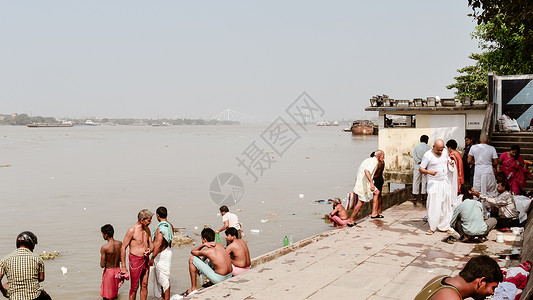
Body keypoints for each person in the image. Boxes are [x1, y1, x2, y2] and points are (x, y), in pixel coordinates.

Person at [414, 255, 502, 300]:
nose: (493, 293)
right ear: (482, 281)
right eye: (493, 288)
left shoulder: (440, 279)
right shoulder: (450, 297)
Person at [181, 228, 232, 297]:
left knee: (192, 259)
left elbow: (193, 252)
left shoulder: (208, 251)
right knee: (212, 262)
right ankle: (210, 283)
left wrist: (203, 245)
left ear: (204, 239)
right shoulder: (220, 245)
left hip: (220, 279)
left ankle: (193, 288)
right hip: (229, 275)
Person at [0, 231, 51, 300]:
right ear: (32, 244)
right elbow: (41, 278)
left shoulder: (5, 259)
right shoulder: (37, 258)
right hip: (34, 296)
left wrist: (3, 291)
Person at [419, 139, 455, 235]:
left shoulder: (444, 152)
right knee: (434, 204)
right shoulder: (428, 155)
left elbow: (447, 161)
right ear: (433, 146)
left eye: (441, 149)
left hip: (444, 181)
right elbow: (421, 168)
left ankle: (445, 225)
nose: (440, 152)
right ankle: (432, 226)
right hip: (434, 182)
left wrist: (450, 164)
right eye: (438, 150)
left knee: (445, 205)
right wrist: (429, 172)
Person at [347, 150, 386, 226]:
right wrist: (372, 183)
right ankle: (351, 219)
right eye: (383, 156)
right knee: (361, 202)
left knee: (377, 192)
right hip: (363, 184)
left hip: (364, 182)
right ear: (379, 156)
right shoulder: (374, 162)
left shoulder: (370, 160)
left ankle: (374, 213)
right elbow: (366, 171)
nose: (384, 158)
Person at [121, 209, 154, 300]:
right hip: (135, 260)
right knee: (134, 287)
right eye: (149, 220)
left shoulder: (147, 229)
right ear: (142, 220)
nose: (150, 222)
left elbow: (152, 245)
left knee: (144, 284)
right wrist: (123, 266)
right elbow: (123, 247)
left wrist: (150, 251)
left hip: (145, 259)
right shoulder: (132, 230)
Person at [149, 207, 174, 300]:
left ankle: (165, 298)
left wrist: (152, 258)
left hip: (161, 254)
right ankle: (163, 297)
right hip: (167, 251)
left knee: (163, 280)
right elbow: (169, 241)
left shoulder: (161, 228)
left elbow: (158, 244)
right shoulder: (170, 225)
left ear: (157, 215)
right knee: (164, 278)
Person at [100, 224, 123, 300]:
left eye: (102, 234)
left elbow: (102, 265)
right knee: (115, 294)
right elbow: (121, 258)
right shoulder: (120, 244)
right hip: (117, 271)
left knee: (106, 297)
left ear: (106, 235)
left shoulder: (104, 248)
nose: (102, 236)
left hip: (109, 272)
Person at [412, 135, 431, 202]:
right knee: (424, 181)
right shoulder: (429, 148)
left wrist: (419, 161)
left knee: (416, 180)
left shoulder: (416, 147)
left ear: (420, 140)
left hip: (418, 165)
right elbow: (429, 158)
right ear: (426, 140)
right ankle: (423, 195)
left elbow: (414, 157)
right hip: (425, 166)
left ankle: (415, 195)